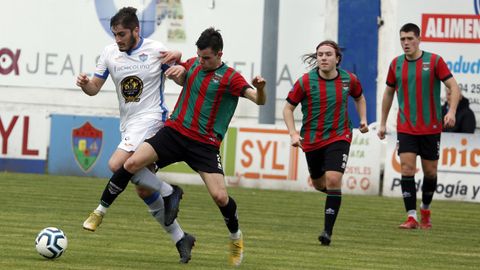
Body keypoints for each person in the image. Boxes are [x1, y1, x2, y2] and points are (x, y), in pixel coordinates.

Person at [91, 27, 266, 266]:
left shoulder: (231, 78)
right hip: (174, 133)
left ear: (219, 54)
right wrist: (178, 69)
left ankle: (236, 238)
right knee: (130, 164)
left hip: (204, 145)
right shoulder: (194, 64)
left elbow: (259, 100)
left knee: (220, 197)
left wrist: (261, 87)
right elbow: (183, 71)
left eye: (207, 58)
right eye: (199, 56)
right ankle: (104, 210)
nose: (201, 62)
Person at [76, 7, 195, 263]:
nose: (117, 39)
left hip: (153, 119)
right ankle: (181, 237)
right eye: (115, 34)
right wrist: (86, 84)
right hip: (129, 125)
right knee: (143, 189)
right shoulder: (109, 54)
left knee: (116, 164)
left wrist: (180, 70)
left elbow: (183, 79)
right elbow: (94, 88)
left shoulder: (155, 50)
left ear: (136, 30)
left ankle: (169, 191)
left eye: (122, 34)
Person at [283, 40, 369, 246]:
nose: (323, 57)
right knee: (320, 184)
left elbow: (360, 98)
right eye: (320, 54)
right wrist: (293, 133)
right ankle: (335, 195)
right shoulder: (305, 82)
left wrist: (363, 119)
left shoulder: (350, 80)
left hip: (339, 135)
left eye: (328, 54)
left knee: (332, 180)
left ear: (337, 59)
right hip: (312, 140)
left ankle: (327, 232)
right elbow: (288, 109)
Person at [377, 23, 461, 229]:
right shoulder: (395, 64)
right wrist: (382, 122)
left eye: (409, 39)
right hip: (406, 126)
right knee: (407, 169)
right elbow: (388, 93)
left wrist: (451, 111)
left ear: (418, 39)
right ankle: (412, 216)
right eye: (402, 39)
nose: (406, 43)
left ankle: (425, 208)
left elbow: (453, 86)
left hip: (431, 127)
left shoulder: (434, 61)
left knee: (430, 172)